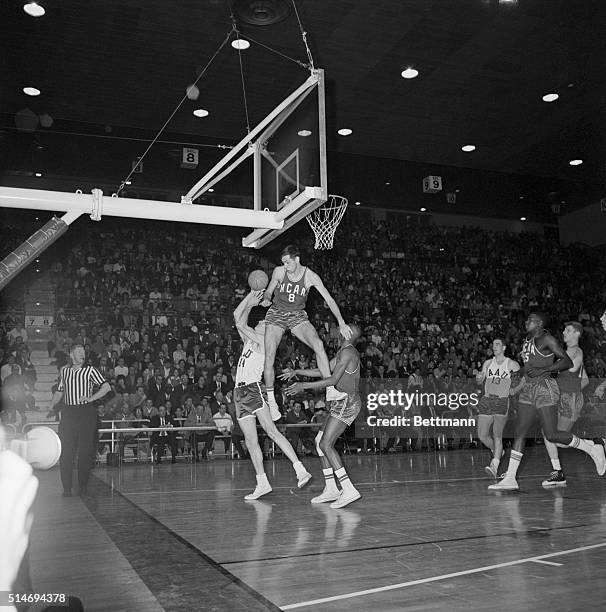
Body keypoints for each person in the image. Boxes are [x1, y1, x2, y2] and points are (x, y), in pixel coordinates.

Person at [489, 313, 605, 491]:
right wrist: (520, 373)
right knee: (520, 431)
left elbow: (566, 362)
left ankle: (591, 449)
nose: (526, 321)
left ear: (540, 323)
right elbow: (531, 368)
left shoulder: (548, 339)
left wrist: (546, 369)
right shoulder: (527, 341)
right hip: (529, 389)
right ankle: (511, 477)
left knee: (552, 434)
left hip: (546, 389)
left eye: (531, 319)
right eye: (526, 319)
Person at [232, 290, 312, 500]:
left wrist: (251, 299)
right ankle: (262, 483)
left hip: (251, 388)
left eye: (263, 322)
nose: (260, 322)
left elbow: (240, 323)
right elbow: (236, 316)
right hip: (239, 392)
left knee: (271, 431)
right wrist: (250, 297)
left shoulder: (263, 340)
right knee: (250, 441)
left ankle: (300, 468)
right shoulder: (251, 340)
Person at [260, 244, 352, 420]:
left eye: (288, 262)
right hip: (277, 314)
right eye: (283, 262)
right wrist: (265, 299)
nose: (285, 265)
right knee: (269, 355)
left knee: (318, 344)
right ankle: (271, 402)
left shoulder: (310, 276)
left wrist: (341, 322)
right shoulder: (279, 272)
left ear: (297, 259)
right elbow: (269, 292)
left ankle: (330, 390)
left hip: (297, 316)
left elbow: (329, 299)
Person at [283, 324, 362, 509]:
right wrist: (297, 372)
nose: (336, 331)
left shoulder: (348, 352)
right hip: (342, 402)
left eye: (341, 329)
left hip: (347, 402)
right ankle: (331, 488)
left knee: (326, 444)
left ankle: (348, 489)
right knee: (320, 441)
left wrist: (303, 386)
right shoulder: (344, 351)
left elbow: (333, 380)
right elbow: (323, 371)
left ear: (346, 334)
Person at [49, 345, 111, 496]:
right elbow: (60, 390)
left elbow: (106, 387)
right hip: (69, 412)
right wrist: (51, 405)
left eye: (83, 351)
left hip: (85, 413)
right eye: (79, 352)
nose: (83, 354)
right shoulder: (65, 371)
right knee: (67, 451)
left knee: (85, 451)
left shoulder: (90, 370)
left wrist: (91, 398)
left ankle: (83, 486)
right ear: (71, 355)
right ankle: (67, 488)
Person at [542, 321, 589, 486]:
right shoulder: (567, 352)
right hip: (564, 398)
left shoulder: (576, 351)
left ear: (576, 333)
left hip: (570, 400)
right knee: (549, 435)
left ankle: (594, 445)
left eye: (567, 330)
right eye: (564, 329)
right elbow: (585, 380)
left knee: (556, 438)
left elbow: (569, 367)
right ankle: (557, 472)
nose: (563, 332)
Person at [475, 338, 521, 478]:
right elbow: (480, 381)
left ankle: (494, 465)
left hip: (501, 401)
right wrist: (479, 377)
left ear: (504, 347)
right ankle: (498, 452)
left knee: (497, 435)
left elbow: (520, 383)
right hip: (487, 400)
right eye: (493, 344)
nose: (494, 346)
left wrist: (514, 390)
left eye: (497, 344)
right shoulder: (488, 363)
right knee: (482, 435)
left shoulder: (512, 364)